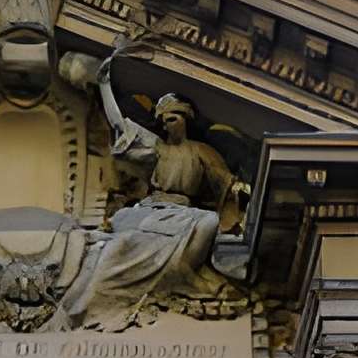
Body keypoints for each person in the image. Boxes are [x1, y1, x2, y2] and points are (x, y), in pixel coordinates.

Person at [59, 66, 245, 328]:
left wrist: (238, 190)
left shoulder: (201, 151)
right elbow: (119, 125)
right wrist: (104, 86)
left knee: (209, 222)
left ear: (186, 119)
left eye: (174, 119)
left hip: (184, 213)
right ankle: (92, 297)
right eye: (165, 121)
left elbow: (223, 179)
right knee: (121, 244)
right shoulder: (158, 148)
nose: (168, 126)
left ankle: (177, 272)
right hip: (151, 210)